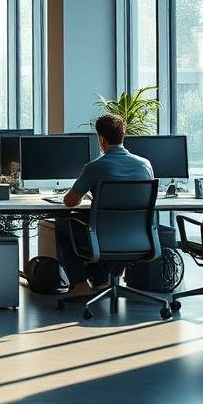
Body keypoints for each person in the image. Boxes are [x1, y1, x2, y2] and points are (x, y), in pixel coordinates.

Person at [56, 114, 154, 299]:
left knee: (63, 223)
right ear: (123, 135)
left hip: (103, 238)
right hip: (138, 238)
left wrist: (84, 191)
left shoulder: (95, 167)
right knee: (92, 225)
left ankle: (80, 284)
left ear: (101, 139)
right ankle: (102, 282)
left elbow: (69, 202)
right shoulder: (145, 165)